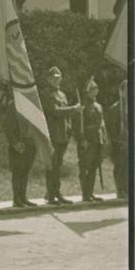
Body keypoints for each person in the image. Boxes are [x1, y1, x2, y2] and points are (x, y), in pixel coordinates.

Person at [40, 66, 81, 205]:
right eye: (53, 78)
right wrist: (73, 109)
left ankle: (56, 192)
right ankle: (51, 194)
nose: (56, 81)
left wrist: (69, 129)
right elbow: (55, 111)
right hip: (53, 135)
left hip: (63, 135)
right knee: (52, 165)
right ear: (48, 79)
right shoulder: (46, 94)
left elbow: (66, 118)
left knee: (58, 165)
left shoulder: (62, 95)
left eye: (58, 78)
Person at [73, 77, 108, 202]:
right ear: (87, 91)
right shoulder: (82, 106)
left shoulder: (98, 106)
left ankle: (90, 192)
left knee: (94, 167)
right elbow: (77, 126)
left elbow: (102, 124)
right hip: (87, 141)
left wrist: (103, 139)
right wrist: (81, 139)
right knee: (85, 167)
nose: (95, 90)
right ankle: (85, 194)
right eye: (93, 89)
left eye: (96, 88)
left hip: (97, 140)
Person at [2, 91, 37, 207]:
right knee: (18, 171)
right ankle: (16, 198)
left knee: (26, 171)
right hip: (19, 142)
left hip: (30, 143)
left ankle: (23, 196)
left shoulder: (30, 105)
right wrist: (14, 142)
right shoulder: (13, 105)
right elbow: (8, 126)